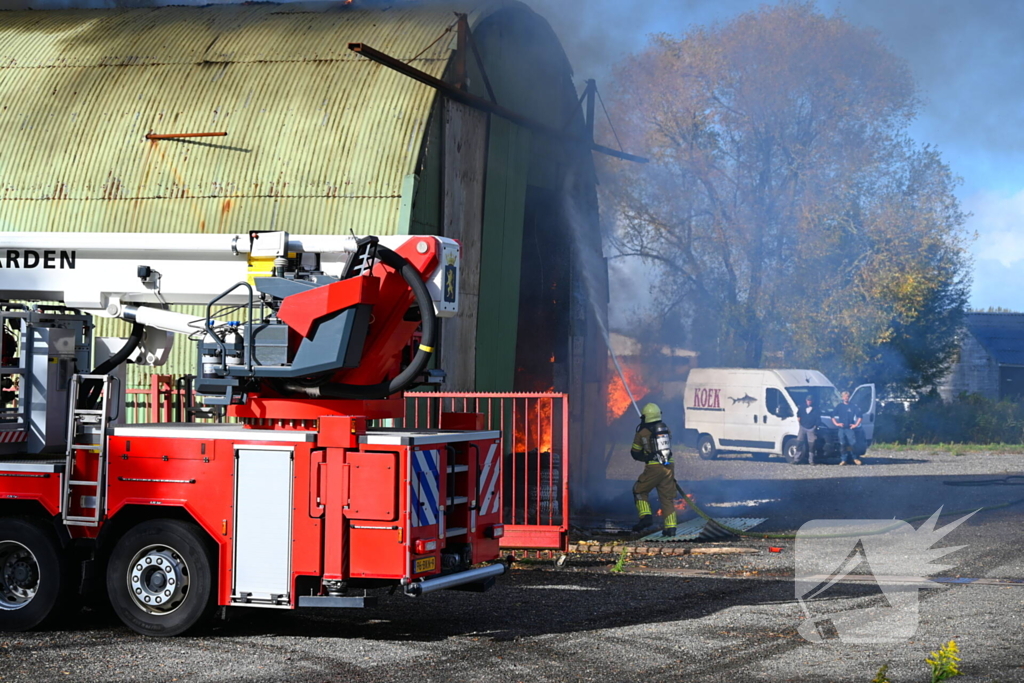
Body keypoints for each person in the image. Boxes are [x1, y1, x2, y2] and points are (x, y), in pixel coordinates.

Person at [630, 403, 678, 537]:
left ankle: (645, 517)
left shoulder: (642, 432)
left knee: (639, 490)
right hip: (669, 465)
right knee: (667, 497)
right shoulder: (665, 429)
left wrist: (646, 456)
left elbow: (635, 452)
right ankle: (671, 528)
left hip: (654, 466)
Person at [831, 391, 863, 465]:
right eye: (844, 396)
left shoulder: (853, 406)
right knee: (843, 444)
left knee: (853, 443)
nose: (846, 398)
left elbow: (860, 416)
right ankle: (843, 459)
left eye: (847, 396)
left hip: (850, 429)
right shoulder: (839, 406)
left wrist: (856, 425)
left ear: (849, 397)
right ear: (842, 397)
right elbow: (832, 416)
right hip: (842, 429)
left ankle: (855, 458)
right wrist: (837, 423)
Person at [797, 394, 821, 464]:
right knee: (799, 443)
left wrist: (815, 426)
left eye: (810, 400)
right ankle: (797, 459)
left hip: (811, 428)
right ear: (806, 400)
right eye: (808, 400)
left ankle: (811, 460)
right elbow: (798, 416)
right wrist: (800, 424)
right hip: (802, 427)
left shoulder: (816, 408)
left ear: (812, 401)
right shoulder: (801, 407)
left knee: (812, 444)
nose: (809, 402)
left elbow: (818, 419)